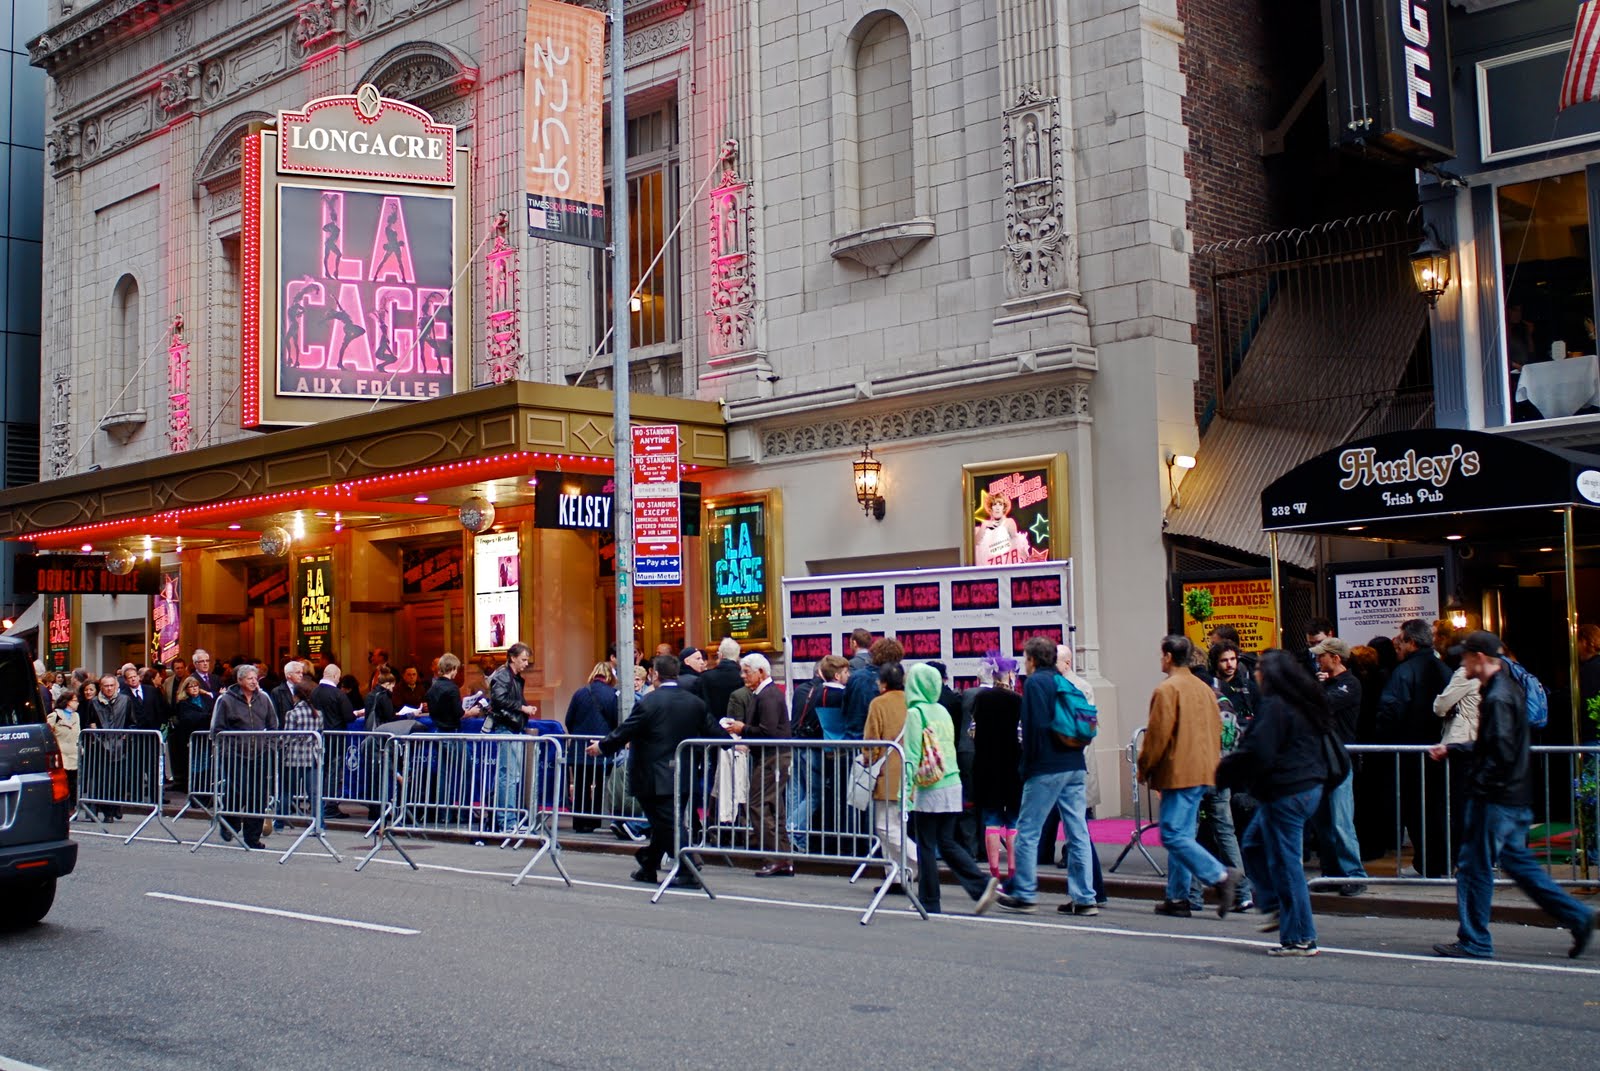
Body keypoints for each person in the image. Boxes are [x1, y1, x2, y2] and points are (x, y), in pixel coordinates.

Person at [1431, 631, 1600, 960]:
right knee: (1521, 867)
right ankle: (1578, 916)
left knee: (1473, 866)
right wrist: (1455, 748)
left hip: (1496, 799)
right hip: (1512, 797)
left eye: (1465, 656)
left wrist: (1478, 782)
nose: (1461, 661)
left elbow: (1500, 752)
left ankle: (1475, 939)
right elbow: (1496, 746)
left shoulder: (1497, 696)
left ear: (1480, 658)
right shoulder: (1503, 688)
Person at [1220, 650, 1332, 956]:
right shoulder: (1301, 701)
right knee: (1255, 844)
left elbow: (1258, 750)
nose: (1254, 674)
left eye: (1258, 669)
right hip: (1303, 787)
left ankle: (1300, 935)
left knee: (1286, 864)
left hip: (1288, 791)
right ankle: (1273, 904)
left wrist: (1222, 773)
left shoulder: (1276, 706)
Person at [587, 655, 730, 886]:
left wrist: (602, 747)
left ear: (655, 674)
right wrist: (733, 742)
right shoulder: (694, 702)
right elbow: (715, 730)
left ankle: (687, 868)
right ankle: (649, 862)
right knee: (663, 822)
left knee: (667, 823)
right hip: (684, 774)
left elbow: (626, 730)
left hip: (653, 776)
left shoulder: (649, 701)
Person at [1137, 635, 1241, 918]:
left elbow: (1157, 737)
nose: (1161, 659)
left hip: (1179, 770)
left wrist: (1144, 768)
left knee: (1172, 834)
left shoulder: (1167, 690)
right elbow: (1216, 730)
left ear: (1168, 657)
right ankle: (1178, 897)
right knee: (1182, 834)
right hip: (1204, 769)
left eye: (1162, 655)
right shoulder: (1204, 689)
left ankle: (1219, 876)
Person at [996, 636, 1096, 916]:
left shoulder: (1036, 683)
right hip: (1075, 762)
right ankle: (1084, 896)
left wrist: (1027, 768)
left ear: (1032, 659)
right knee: (1078, 832)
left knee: (1028, 831)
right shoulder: (1065, 682)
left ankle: (1025, 893)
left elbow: (1034, 728)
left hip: (1047, 767)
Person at [902, 662, 1000, 914]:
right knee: (947, 841)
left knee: (926, 843)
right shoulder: (942, 711)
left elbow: (912, 754)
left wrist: (907, 790)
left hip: (928, 786)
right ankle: (980, 884)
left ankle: (930, 901)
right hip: (951, 780)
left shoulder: (915, 713)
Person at [1379, 618, 1452, 878]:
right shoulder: (1443, 669)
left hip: (1410, 749)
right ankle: (1439, 861)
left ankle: (1427, 862)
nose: (1398, 644)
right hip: (1439, 749)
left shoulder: (1405, 672)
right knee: (1438, 807)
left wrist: (1387, 740)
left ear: (1412, 642)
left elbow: (1390, 710)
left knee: (1416, 808)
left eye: (1402, 639)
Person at [1309, 637, 1369, 895]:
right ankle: (1331, 871)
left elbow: (1321, 706)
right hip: (1321, 758)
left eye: (1322, 656)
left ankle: (1354, 874)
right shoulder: (1326, 683)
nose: (1318, 660)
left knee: (1340, 820)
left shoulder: (1350, 684)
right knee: (1322, 821)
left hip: (1340, 760)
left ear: (1336, 658)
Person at [727, 653, 794, 876]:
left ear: (761, 672)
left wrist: (742, 729)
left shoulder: (768, 696)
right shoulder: (766, 694)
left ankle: (775, 857)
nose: (742, 676)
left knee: (759, 804)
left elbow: (768, 732)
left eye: (747, 671)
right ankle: (783, 858)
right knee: (772, 806)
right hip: (771, 756)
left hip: (771, 757)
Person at [209, 664, 279, 850]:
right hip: (234, 754)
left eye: (255, 678)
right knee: (240, 790)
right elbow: (217, 729)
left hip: (260, 754)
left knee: (258, 796)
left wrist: (269, 747)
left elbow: (273, 726)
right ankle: (229, 822)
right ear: (240, 681)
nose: (254, 681)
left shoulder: (264, 699)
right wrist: (226, 750)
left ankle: (252, 837)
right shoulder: (226, 701)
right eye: (249, 678)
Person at [862, 649, 916, 884]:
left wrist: (868, 759)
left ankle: (916, 860)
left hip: (885, 772)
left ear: (882, 682)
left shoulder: (878, 703)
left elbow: (871, 740)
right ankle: (897, 876)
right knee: (897, 825)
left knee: (884, 827)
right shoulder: (912, 702)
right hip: (909, 769)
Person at [971, 653, 1022, 881]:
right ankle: (1012, 870)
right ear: (1010, 675)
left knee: (991, 819)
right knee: (1012, 820)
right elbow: (1022, 736)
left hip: (986, 766)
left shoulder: (981, 699)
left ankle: (993, 872)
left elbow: (972, 732)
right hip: (1012, 767)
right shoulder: (1018, 701)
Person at [485, 644, 538, 832]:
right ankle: (507, 821)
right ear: (512, 658)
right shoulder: (503, 676)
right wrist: (523, 708)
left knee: (509, 776)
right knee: (508, 776)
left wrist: (524, 708)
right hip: (506, 727)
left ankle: (506, 820)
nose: (526, 663)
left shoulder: (511, 677)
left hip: (511, 727)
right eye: (523, 659)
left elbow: (502, 699)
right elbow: (498, 699)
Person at [565, 662, 620, 833]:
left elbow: (569, 719)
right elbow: (616, 720)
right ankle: (595, 821)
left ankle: (580, 822)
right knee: (601, 785)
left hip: (580, 747)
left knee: (581, 784)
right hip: (603, 747)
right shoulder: (612, 694)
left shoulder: (580, 692)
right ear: (609, 677)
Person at [275, 677, 321, 830]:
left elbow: (287, 737)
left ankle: (281, 821)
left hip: (293, 757)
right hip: (312, 756)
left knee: (287, 791)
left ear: (296, 696)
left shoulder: (292, 714)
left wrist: (277, 743)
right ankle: (318, 824)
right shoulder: (318, 714)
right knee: (314, 794)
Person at [48, 692, 82, 813]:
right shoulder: (55, 715)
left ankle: (71, 808)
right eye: (75, 700)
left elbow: (78, 734)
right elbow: (48, 733)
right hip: (61, 753)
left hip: (74, 753)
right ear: (68, 702)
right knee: (62, 783)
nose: (77, 703)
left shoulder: (76, 716)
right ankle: (62, 808)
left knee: (73, 783)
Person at [841, 628, 878, 739]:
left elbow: (848, 691)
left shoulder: (851, 664)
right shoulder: (877, 661)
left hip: (858, 717)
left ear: (854, 643)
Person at [699, 638, 742, 721]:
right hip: (739, 726)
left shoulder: (705, 677)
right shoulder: (743, 676)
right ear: (737, 656)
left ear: (720, 655)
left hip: (713, 726)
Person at [424, 654, 464, 732]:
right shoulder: (453, 688)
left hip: (437, 730)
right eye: (456, 669)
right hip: (452, 732)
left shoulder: (432, 688)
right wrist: (472, 712)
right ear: (453, 668)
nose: (456, 672)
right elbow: (459, 713)